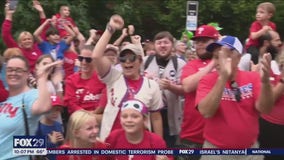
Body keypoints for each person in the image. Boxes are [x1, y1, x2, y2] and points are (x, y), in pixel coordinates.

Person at [197, 36, 274, 160]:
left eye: (225, 57)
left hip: (249, 151)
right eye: (216, 57)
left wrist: (265, 83)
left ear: (238, 58)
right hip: (216, 151)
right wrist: (222, 78)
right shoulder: (207, 80)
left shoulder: (252, 78)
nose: (218, 62)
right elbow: (206, 112)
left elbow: (265, 109)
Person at [92, 14, 163, 141]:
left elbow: (156, 117)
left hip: (139, 146)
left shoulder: (152, 85)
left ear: (140, 61)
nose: (127, 62)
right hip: (111, 143)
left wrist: (159, 148)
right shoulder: (113, 77)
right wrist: (110, 29)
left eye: (132, 58)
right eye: (123, 58)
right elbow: (96, 56)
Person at [0, 55, 60, 159]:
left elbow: (43, 107)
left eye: (18, 70)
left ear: (27, 74)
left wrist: (42, 77)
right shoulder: (3, 97)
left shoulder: (30, 95)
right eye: (10, 70)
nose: (13, 73)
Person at [179, 25, 219, 160]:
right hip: (192, 135)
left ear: (215, 42)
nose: (200, 45)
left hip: (218, 137)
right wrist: (214, 62)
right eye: (197, 41)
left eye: (204, 41)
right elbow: (188, 86)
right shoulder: (191, 65)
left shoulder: (226, 64)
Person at [143, 31, 186, 147]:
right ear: (154, 45)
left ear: (172, 45)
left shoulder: (180, 64)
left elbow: (185, 90)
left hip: (170, 114)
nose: (162, 45)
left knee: (168, 148)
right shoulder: (145, 61)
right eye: (159, 43)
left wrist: (171, 87)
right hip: (148, 114)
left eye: (166, 43)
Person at [105, 99, 173, 160]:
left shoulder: (156, 141)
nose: (129, 120)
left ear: (145, 120)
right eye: (124, 116)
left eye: (135, 116)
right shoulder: (114, 137)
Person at [64, 45, 107, 115]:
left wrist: (93, 115)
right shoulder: (71, 80)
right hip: (78, 118)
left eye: (88, 59)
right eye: (81, 58)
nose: (84, 62)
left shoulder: (103, 79)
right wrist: (87, 116)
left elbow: (103, 104)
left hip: (98, 117)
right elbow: (71, 104)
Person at [2, 3, 42, 73]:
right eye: (24, 39)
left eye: (29, 39)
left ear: (32, 41)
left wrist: (41, 12)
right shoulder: (18, 50)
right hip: (26, 77)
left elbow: (44, 32)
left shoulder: (38, 47)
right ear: (20, 43)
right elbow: (6, 35)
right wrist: (9, 15)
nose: (27, 41)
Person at [35, 95, 64, 160]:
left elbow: (60, 146)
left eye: (57, 110)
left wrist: (62, 141)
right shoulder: (38, 127)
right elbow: (36, 152)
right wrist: (51, 143)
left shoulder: (58, 125)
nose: (54, 113)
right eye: (51, 110)